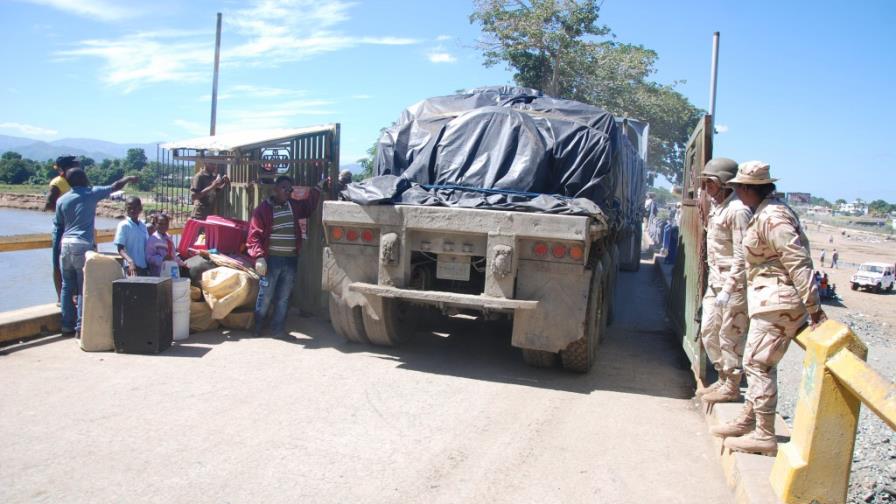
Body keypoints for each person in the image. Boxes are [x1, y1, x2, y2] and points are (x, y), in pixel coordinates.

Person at [710, 161, 826, 456]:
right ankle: (749, 421)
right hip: (769, 299)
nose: (736, 193)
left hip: (779, 302)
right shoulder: (765, 212)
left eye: (739, 188)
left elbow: (797, 260)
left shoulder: (773, 217)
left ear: (750, 189)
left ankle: (763, 435)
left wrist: (814, 308)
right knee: (755, 361)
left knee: (758, 365)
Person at [695, 158, 752, 405]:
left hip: (733, 284)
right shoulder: (719, 207)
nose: (706, 188)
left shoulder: (738, 211)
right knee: (708, 331)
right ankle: (722, 376)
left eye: (710, 183)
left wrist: (730, 288)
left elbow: (743, 253)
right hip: (716, 281)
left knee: (729, 336)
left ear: (724, 184)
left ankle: (732, 384)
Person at [54, 169, 138, 335]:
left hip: (65, 244)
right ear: (82, 178)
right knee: (82, 286)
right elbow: (115, 186)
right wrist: (128, 178)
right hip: (82, 244)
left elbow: (59, 225)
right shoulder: (90, 193)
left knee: (66, 286)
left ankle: (66, 325)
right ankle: (80, 328)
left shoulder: (62, 200)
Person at [246, 175, 321, 338]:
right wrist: (259, 257)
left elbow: (308, 207)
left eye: (290, 189)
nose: (288, 191)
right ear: (275, 189)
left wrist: (317, 190)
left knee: (284, 298)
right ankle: (257, 327)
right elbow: (254, 236)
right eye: (284, 188)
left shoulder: (293, 205)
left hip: (290, 260)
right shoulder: (263, 210)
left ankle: (277, 330)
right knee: (265, 296)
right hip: (271, 261)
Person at [45, 156, 76, 305]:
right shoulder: (58, 183)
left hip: (76, 227)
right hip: (63, 227)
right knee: (58, 262)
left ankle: (74, 295)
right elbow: (49, 204)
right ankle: (60, 297)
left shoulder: (76, 181)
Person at [114, 197, 149, 276]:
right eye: (129, 208)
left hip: (144, 267)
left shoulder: (143, 226)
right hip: (131, 268)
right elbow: (120, 248)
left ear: (140, 208)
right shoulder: (123, 225)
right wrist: (130, 261)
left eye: (135, 208)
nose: (132, 210)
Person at [146, 212, 184, 276]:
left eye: (165, 224)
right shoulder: (153, 240)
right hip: (158, 274)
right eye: (160, 224)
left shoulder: (168, 237)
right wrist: (162, 259)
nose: (163, 226)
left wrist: (181, 262)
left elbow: (173, 255)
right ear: (155, 224)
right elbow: (149, 257)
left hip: (170, 272)